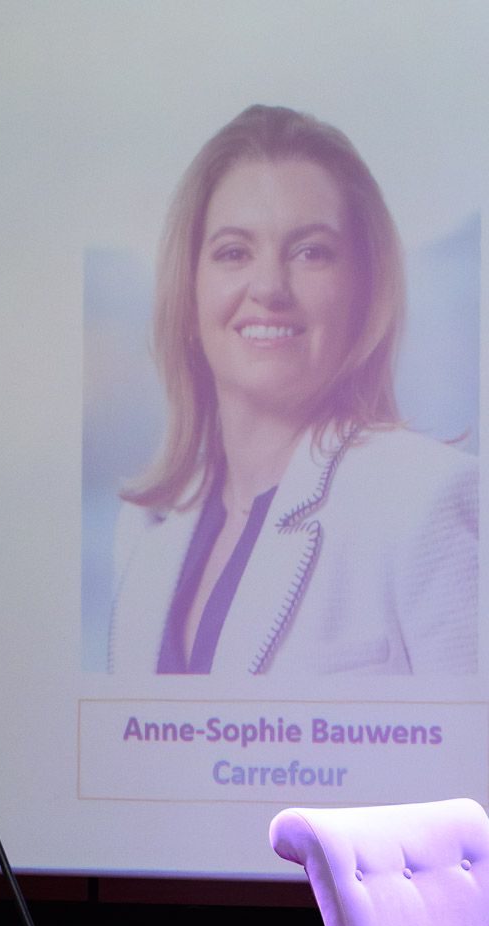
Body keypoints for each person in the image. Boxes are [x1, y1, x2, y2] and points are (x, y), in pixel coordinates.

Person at [109, 104, 478, 677]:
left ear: (364, 291)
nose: (269, 288)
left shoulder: (427, 501)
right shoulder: (144, 526)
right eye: (234, 252)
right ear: (190, 291)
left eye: (311, 252)